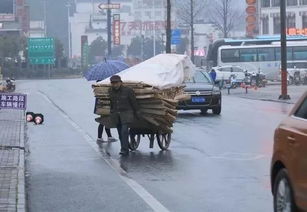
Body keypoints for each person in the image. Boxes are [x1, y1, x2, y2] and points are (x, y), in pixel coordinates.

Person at [108, 75, 140, 156]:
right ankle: (124, 146)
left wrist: (137, 112)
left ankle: (124, 150)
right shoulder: (110, 91)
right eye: (113, 83)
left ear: (120, 82)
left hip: (127, 114)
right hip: (116, 115)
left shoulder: (128, 90)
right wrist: (111, 112)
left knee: (124, 131)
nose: (115, 84)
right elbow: (111, 103)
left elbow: (133, 102)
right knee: (120, 133)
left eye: (116, 83)